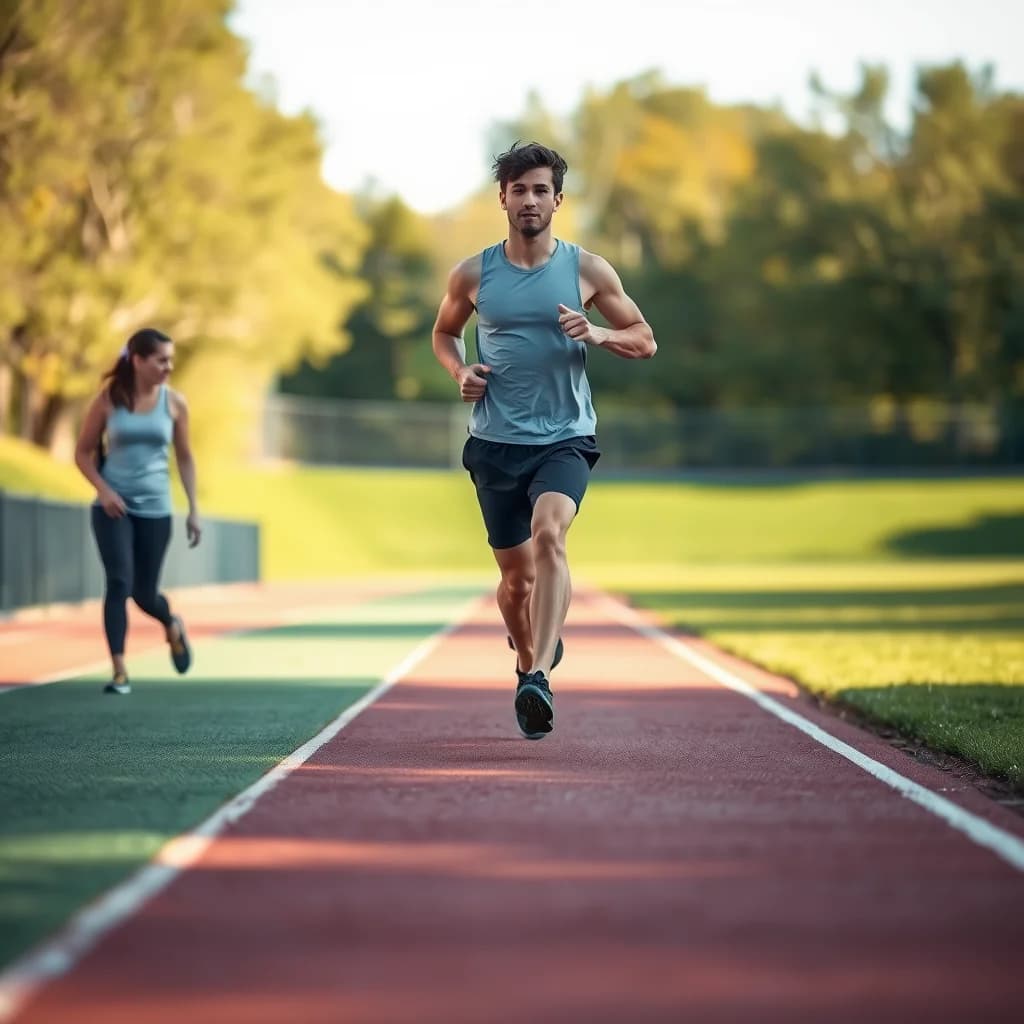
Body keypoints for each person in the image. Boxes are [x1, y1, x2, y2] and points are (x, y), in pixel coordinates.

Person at [432, 141, 656, 739]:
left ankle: (536, 677)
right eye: (518, 189)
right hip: (495, 444)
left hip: (565, 439)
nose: (529, 199)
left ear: (557, 200)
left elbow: (644, 339)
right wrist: (461, 372)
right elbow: (444, 334)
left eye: (540, 190)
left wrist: (600, 336)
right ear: (502, 198)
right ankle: (528, 653)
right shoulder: (473, 274)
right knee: (516, 582)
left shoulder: (587, 270)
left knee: (549, 535)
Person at [74, 327, 201, 694]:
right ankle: (119, 671)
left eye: (170, 359)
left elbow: (186, 458)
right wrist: (104, 490)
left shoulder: (175, 403)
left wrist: (193, 509)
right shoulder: (109, 399)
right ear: (140, 361)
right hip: (113, 507)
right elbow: (82, 453)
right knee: (118, 582)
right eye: (162, 360)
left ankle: (171, 624)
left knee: (145, 594)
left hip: (157, 510)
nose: (168, 366)